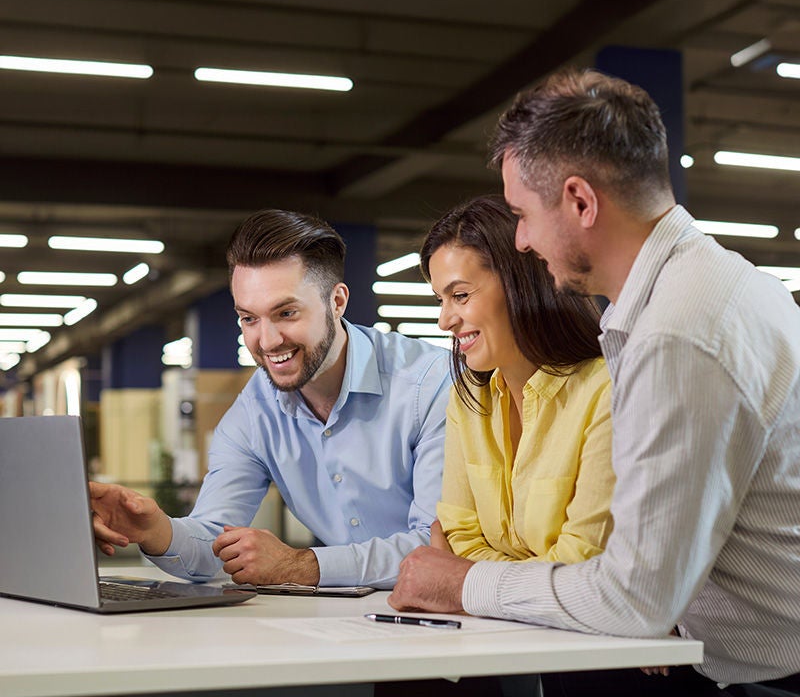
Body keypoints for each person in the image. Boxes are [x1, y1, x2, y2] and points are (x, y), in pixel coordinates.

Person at [389, 69, 800, 696]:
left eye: (524, 216)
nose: (522, 239)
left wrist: (461, 582)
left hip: (766, 676)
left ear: (580, 202)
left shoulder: (679, 333)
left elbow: (635, 597)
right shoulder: (698, 291)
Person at [91, 208, 450, 589]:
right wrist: (155, 530)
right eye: (249, 318)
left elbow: (436, 546)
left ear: (338, 301)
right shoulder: (254, 412)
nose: (267, 341)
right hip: (350, 623)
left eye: (286, 312)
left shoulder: (429, 385)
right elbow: (214, 542)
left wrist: (301, 565)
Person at [419, 194, 614, 567]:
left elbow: (583, 562)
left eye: (460, 295)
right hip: (493, 625)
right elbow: (458, 537)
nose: (445, 321)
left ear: (519, 284)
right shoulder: (470, 401)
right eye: (440, 300)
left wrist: (468, 581)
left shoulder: (605, 393)